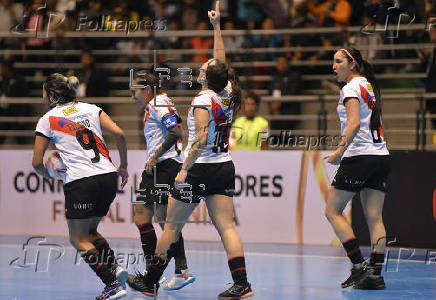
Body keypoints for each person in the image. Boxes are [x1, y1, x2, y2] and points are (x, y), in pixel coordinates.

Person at [136, 1, 254, 299]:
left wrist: (184, 169)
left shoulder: (203, 100)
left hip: (199, 169)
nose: (201, 65)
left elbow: (200, 140)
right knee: (226, 227)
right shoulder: (227, 92)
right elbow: (220, 60)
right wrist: (216, 27)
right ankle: (242, 284)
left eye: (203, 67)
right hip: (224, 166)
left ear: (204, 78)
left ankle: (150, 281)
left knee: (170, 227)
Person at [32, 73, 129, 300]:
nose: (42, 96)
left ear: (52, 95)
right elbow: (120, 133)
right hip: (108, 177)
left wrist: (50, 174)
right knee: (91, 231)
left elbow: (36, 162)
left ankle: (111, 283)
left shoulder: (47, 119)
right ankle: (113, 268)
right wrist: (123, 165)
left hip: (81, 181)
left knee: (78, 238)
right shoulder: (91, 108)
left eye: (44, 91)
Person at [325, 48, 390, 290]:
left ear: (352, 64)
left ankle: (358, 264)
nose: (334, 66)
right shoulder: (369, 86)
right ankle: (375, 275)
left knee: (332, 211)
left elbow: (353, 124)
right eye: (333, 61)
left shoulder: (350, 88)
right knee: (375, 218)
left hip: (359, 156)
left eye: (338, 61)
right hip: (381, 156)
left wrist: (338, 152)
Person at [126, 67, 195, 291]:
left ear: (146, 89)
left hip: (163, 166)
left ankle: (152, 273)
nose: (132, 96)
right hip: (164, 165)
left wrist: (154, 157)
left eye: (134, 91)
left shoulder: (158, 103)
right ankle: (179, 270)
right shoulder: (160, 102)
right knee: (163, 221)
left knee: (150, 218)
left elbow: (176, 132)